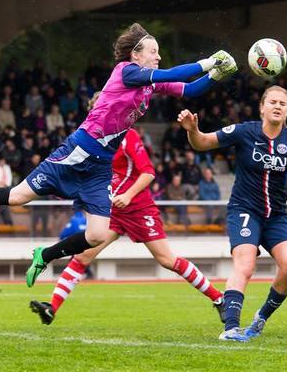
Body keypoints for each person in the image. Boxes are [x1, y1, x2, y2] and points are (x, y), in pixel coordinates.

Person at [0, 22, 237, 287]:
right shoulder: (127, 71)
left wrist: (217, 75)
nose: (157, 57)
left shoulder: (148, 86)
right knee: (18, 197)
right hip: (78, 151)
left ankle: (44, 255)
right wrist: (209, 62)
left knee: (97, 234)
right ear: (135, 55)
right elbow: (172, 72)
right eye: (152, 51)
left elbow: (189, 90)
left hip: (100, 167)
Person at [30, 128, 224, 325]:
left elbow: (148, 173)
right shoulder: (93, 139)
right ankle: (52, 307)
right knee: (83, 256)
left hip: (138, 208)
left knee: (166, 260)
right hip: (113, 210)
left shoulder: (127, 135)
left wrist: (128, 195)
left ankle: (218, 298)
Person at [178, 85, 287, 342]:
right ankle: (231, 329)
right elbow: (203, 143)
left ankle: (261, 316)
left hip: (276, 215)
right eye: (273, 101)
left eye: (283, 103)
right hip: (245, 210)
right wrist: (193, 131)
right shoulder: (244, 131)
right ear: (262, 107)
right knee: (245, 265)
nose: (278, 106)